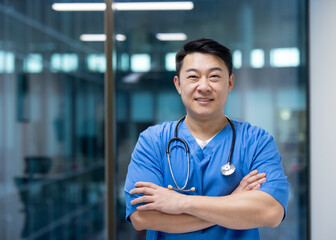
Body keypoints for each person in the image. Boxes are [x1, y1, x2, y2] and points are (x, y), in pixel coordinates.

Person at [124, 38, 289, 239]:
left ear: (230, 83)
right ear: (178, 84)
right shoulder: (152, 141)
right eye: (193, 77)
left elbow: (270, 213)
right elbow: (142, 218)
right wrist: (233, 201)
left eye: (214, 77)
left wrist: (181, 203)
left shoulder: (256, 141)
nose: (204, 86)